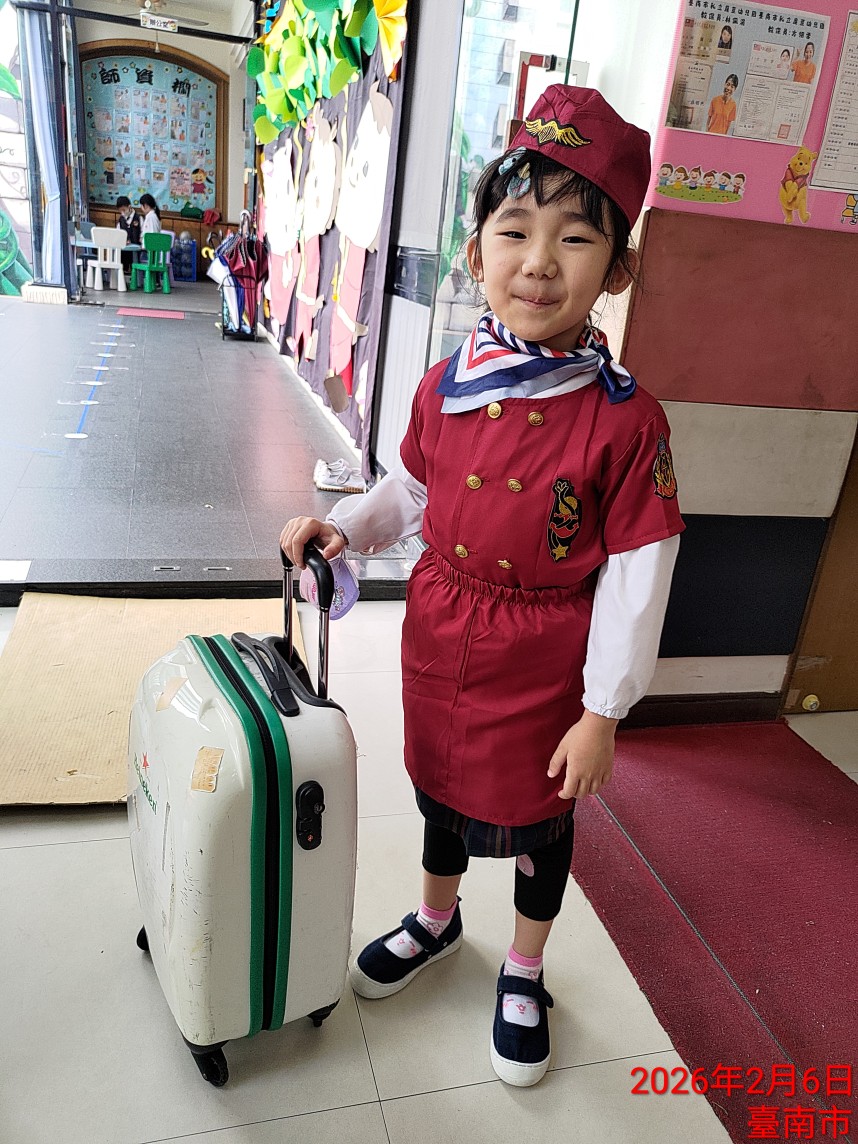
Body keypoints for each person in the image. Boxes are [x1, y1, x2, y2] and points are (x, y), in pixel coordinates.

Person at [280, 85, 684, 1089]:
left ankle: (526, 966)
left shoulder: (628, 422)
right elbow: (413, 489)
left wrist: (603, 713)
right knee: (443, 794)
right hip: (441, 629)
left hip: (548, 658)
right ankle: (437, 918)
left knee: (543, 818)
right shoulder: (446, 382)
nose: (539, 260)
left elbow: (638, 573)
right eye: (514, 230)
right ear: (476, 252)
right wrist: (344, 532)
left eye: (574, 238)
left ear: (618, 268)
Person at [116, 195, 141, 271]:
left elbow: (142, 234)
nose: (122, 212)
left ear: (129, 207)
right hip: (124, 249)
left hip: (136, 249)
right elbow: (117, 233)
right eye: (120, 211)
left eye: (124, 210)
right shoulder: (121, 219)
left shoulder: (138, 218)